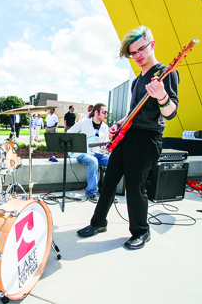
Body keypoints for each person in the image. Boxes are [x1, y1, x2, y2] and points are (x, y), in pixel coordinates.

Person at [77, 26, 179, 250]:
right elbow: (133, 112)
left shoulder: (165, 73)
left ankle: (141, 231)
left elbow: (170, 113)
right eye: (133, 52)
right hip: (128, 136)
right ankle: (98, 223)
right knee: (110, 180)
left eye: (141, 49)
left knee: (135, 186)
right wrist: (118, 125)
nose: (138, 55)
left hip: (148, 138)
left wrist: (161, 95)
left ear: (152, 44)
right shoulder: (136, 81)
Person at [67, 103, 110, 203]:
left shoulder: (105, 127)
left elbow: (104, 147)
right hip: (82, 153)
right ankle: (91, 192)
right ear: (96, 112)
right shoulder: (83, 122)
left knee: (114, 160)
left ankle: (108, 190)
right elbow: (69, 133)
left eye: (107, 112)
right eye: (104, 112)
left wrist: (106, 147)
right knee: (93, 161)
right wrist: (76, 145)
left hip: (98, 153)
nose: (106, 114)